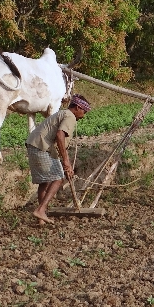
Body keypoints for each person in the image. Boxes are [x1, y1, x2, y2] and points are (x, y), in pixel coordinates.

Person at [25, 94, 91, 224]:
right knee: (58, 178)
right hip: (41, 146)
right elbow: (60, 135)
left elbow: (57, 141)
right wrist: (66, 162)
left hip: (34, 144)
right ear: (77, 107)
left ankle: (41, 218)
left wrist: (63, 160)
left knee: (45, 182)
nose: (83, 115)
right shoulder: (70, 116)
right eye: (84, 111)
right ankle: (41, 210)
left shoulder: (63, 114)